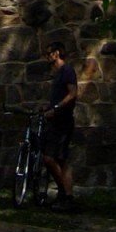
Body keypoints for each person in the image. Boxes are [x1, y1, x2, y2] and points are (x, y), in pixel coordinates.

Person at [42, 42, 77, 208]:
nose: (47, 57)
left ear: (56, 53)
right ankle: (63, 191)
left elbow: (73, 94)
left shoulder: (67, 71)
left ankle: (67, 197)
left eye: (49, 53)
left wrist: (55, 109)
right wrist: (49, 106)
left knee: (61, 159)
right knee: (48, 158)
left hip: (63, 121)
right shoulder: (58, 75)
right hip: (55, 121)